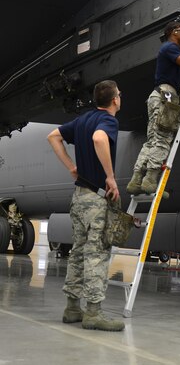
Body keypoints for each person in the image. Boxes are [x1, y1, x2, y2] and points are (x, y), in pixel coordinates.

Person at [47, 80, 125, 332]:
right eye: (119, 95)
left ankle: (72, 308)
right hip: (96, 198)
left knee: (78, 253)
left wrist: (71, 167)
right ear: (114, 100)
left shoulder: (82, 120)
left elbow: (53, 136)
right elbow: (100, 139)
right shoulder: (108, 121)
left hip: (79, 197)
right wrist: (110, 177)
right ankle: (93, 313)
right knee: (97, 254)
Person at [126, 20, 180, 196]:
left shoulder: (169, 51)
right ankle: (150, 180)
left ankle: (136, 180)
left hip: (158, 95)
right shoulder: (170, 48)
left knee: (152, 140)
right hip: (165, 96)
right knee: (163, 139)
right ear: (174, 32)